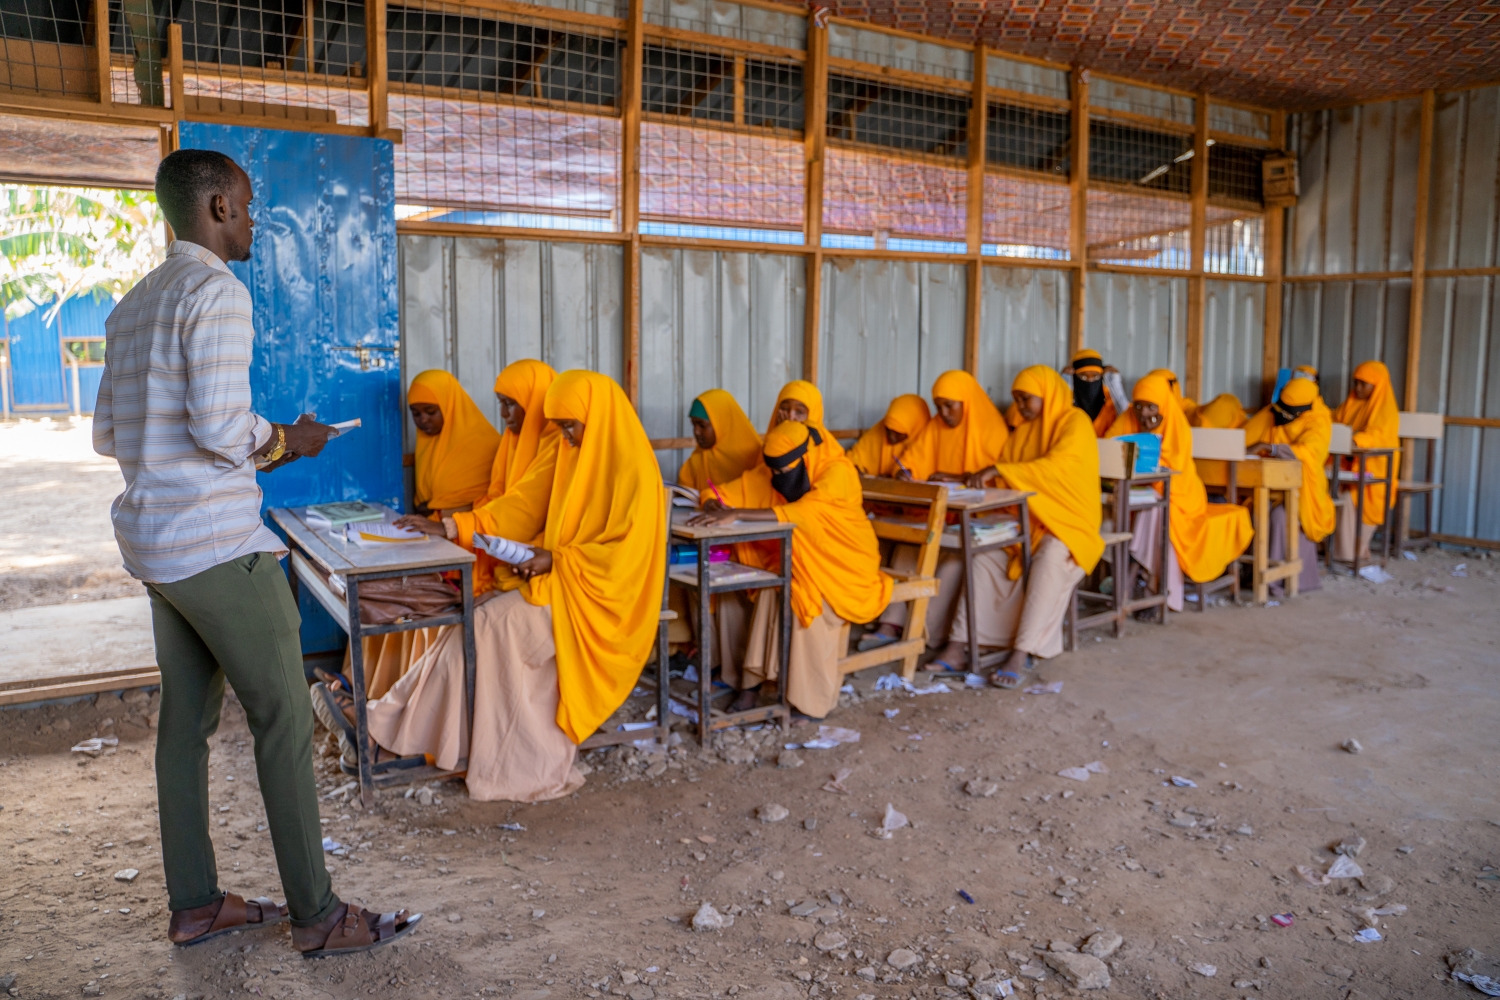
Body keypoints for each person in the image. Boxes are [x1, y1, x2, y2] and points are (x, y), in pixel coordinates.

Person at [93, 148, 416, 955]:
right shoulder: (216, 292)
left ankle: (194, 903)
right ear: (213, 210)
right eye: (244, 204)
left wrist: (245, 435)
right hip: (218, 546)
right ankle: (318, 916)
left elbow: (109, 434)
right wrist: (288, 440)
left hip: (157, 550)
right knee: (280, 720)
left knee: (185, 727)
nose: (254, 219)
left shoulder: (132, 305)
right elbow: (216, 427)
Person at [357, 371, 667, 801]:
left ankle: (385, 728)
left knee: (484, 627)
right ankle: (392, 727)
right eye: (558, 426)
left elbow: (625, 558)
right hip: (563, 585)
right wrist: (473, 532)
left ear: (597, 418)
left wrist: (555, 558)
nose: (563, 435)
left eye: (569, 425)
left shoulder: (633, 469)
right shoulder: (568, 450)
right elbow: (527, 508)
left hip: (602, 601)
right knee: (474, 622)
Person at [689, 420, 891, 720]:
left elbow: (806, 512)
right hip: (803, 560)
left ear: (805, 459)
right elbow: (721, 493)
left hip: (847, 568)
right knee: (775, 587)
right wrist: (714, 507)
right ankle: (753, 684)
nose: (779, 479)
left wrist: (738, 513)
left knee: (804, 601)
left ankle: (810, 702)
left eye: (786, 472)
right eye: (775, 472)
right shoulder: (773, 471)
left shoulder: (838, 472)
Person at [928, 366, 1103, 686]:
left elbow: (1057, 468)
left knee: (1050, 559)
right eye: (1017, 400)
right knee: (983, 556)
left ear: (1048, 395)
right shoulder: (1023, 430)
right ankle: (958, 645)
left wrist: (999, 470)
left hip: (1068, 524)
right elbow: (1008, 476)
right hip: (1026, 521)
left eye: (1026, 399)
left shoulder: (1075, 422)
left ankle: (1020, 653)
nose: (1020, 407)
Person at [1109, 373, 1254, 609]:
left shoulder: (1178, 427)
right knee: (1152, 507)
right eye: (1138, 406)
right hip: (1145, 492)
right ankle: (1155, 588)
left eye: (1151, 406)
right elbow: (1109, 446)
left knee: (1157, 511)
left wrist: (1142, 452)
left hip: (1183, 496)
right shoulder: (1129, 418)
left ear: (1164, 405)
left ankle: (1153, 587)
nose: (1143, 414)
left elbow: (1169, 470)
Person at [1245, 376, 1333, 593]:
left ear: (1304, 410)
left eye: (1289, 412)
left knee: (1279, 517)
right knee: (1252, 509)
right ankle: (1253, 572)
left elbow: (1310, 454)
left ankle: (1281, 580)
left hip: (1303, 490)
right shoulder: (1276, 413)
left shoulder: (1319, 421)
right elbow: (1248, 436)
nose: (1283, 416)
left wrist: (1271, 448)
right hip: (1271, 483)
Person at [407, 369, 502, 518]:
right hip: (431, 531)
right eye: (416, 413)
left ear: (450, 406)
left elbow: (493, 502)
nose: (423, 419)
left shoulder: (486, 444)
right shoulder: (427, 444)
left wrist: (436, 510)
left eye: (431, 412)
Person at [1331, 360, 1400, 563]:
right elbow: (1335, 420)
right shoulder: (1351, 404)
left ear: (1377, 385)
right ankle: (1331, 549)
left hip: (1374, 470)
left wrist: (1354, 440)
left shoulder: (1386, 410)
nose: (1358, 388)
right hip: (1346, 466)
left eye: (1364, 384)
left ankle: (1347, 554)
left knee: (1347, 498)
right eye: (1356, 383)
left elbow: (1377, 435)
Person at [678, 388, 762, 494]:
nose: (696, 432)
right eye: (693, 425)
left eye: (702, 425)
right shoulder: (696, 460)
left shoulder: (757, 458)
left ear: (722, 423)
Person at [846, 394, 931, 476]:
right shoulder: (879, 430)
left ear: (914, 428)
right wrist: (853, 467)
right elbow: (853, 457)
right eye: (887, 430)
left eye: (898, 433)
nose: (891, 437)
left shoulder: (929, 441)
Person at [1063, 349, 1127, 437]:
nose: (1090, 381)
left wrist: (1116, 386)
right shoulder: (1069, 398)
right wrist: (1064, 385)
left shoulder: (1110, 399)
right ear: (1074, 377)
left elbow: (1127, 418)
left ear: (1102, 377)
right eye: (1083, 376)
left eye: (1096, 376)